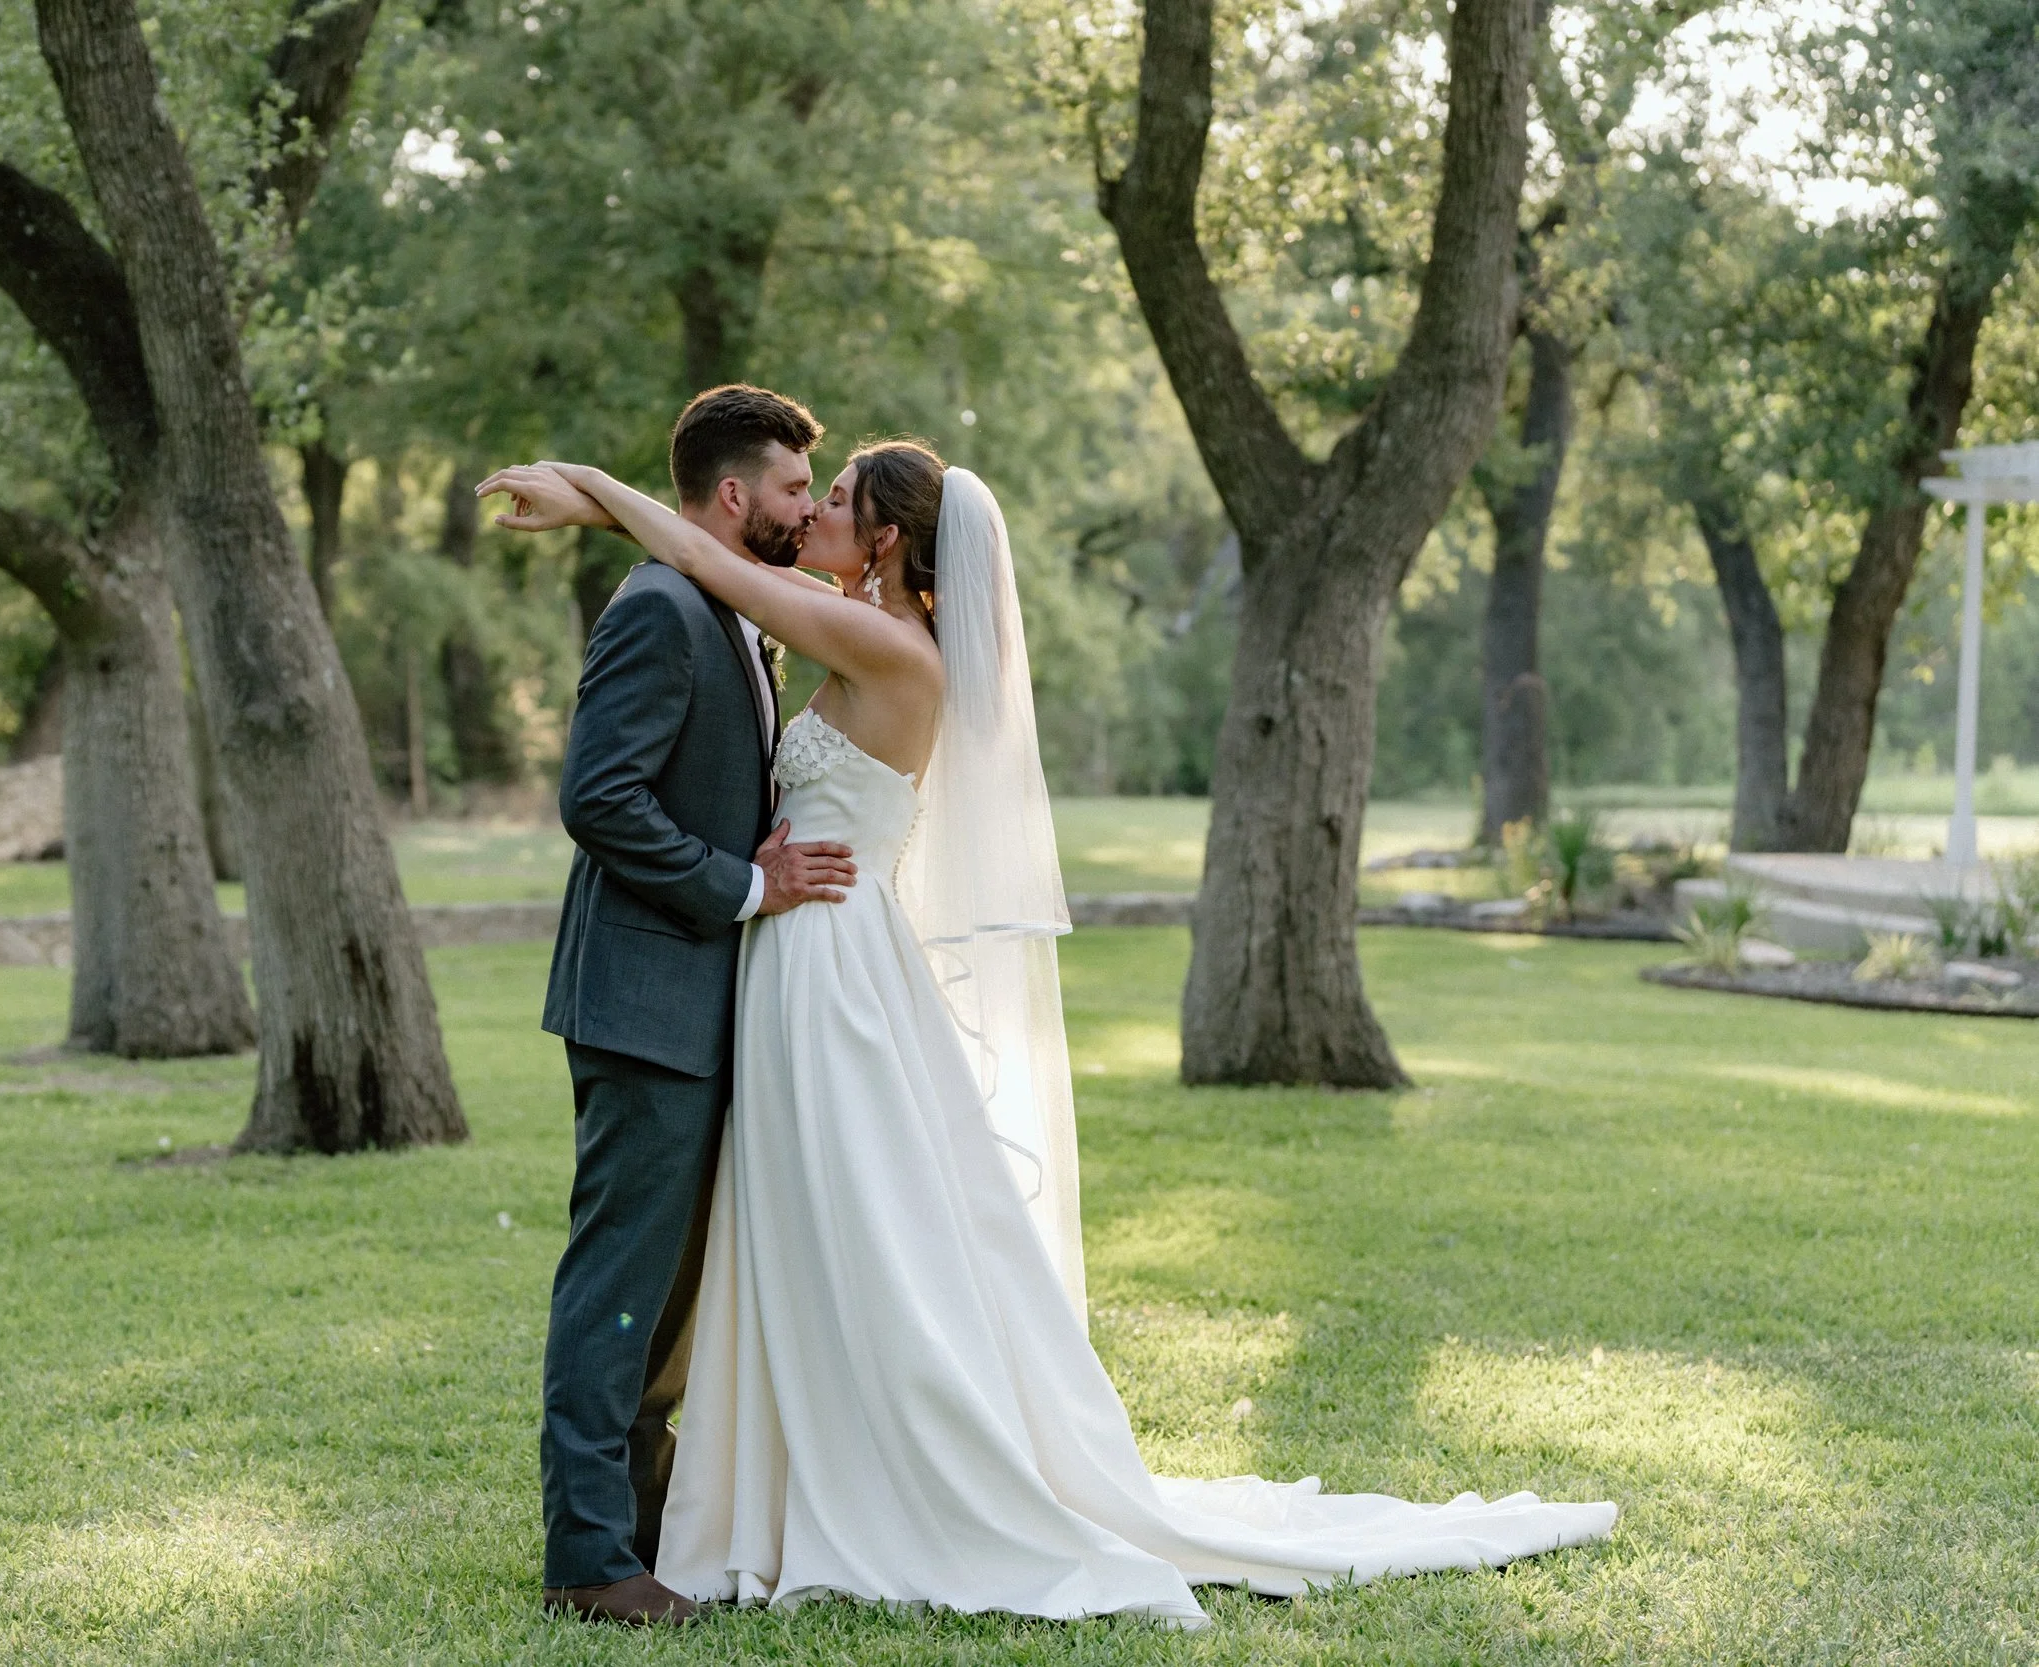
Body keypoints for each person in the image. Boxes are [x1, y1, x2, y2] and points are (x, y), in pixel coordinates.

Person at [479, 435, 1617, 1628]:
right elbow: (713, 574)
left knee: (850, 1229)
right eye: (799, 489)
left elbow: (718, 567)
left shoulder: (880, 641)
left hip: (828, 964)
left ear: (882, 541)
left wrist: (595, 494)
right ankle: (728, 1493)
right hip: (792, 956)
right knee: (791, 1235)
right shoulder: (841, 618)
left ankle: (840, 1481)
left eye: (837, 498)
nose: (811, 508)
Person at [510, 386, 859, 1626]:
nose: (806, 507)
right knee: (620, 1282)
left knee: (668, 1298)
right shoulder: (662, 607)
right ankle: (586, 1559)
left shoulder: (732, 610)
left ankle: (646, 1530)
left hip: (699, 1007)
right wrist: (744, 881)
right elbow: (599, 797)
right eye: (789, 490)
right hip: (643, 1000)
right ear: (729, 496)